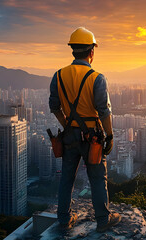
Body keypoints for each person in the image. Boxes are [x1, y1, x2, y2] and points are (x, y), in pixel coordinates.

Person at [49, 27, 120, 233]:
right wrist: (109, 135)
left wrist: (67, 125)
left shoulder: (58, 76)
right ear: (91, 52)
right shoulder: (96, 78)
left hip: (69, 135)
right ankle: (103, 219)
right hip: (93, 137)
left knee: (67, 177)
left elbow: (54, 106)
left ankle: (64, 218)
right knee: (97, 177)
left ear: (73, 51)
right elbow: (103, 111)